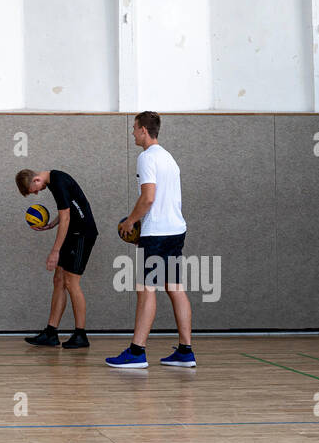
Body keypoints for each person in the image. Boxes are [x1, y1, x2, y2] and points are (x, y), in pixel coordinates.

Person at [106, 111, 195, 369]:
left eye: (134, 128)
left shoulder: (146, 158)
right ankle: (185, 351)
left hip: (157, 232)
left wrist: (131, 222)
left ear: (144, 129)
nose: (132, 133)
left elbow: (148, 198)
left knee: (146, 290)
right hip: (176, 229)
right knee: (175, 288)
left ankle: (136, 352)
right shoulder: (169, 158)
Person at [15, 168, 97, 349]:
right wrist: (52, 224)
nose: (37, 192)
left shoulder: (58, 182)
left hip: (82, 233)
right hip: (73, 232)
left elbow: (67, 217)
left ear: (36, 179)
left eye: (34, 190)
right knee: (59, 279)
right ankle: (51, 333)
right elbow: (67, 211)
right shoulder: (53, 181)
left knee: (71, 282)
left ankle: (81, 334)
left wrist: (55, 250)